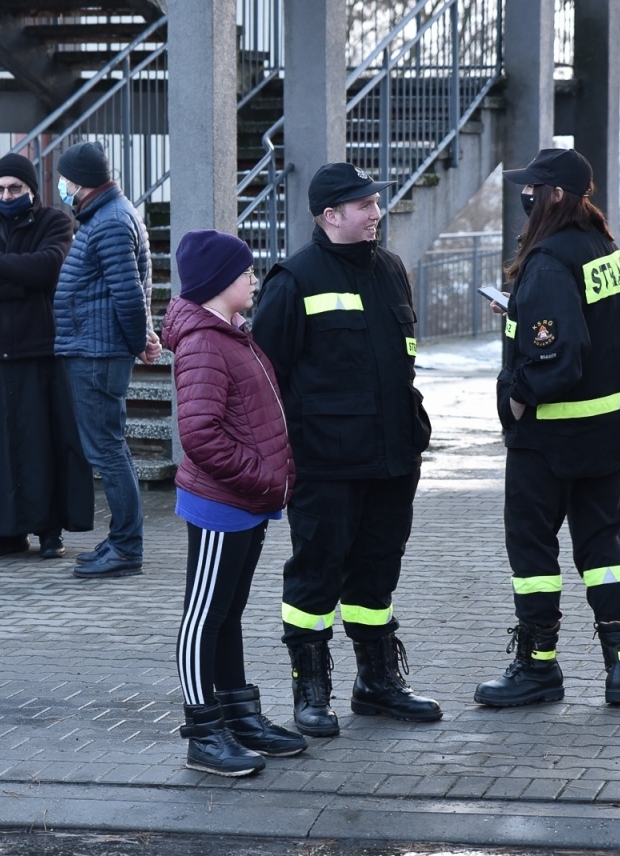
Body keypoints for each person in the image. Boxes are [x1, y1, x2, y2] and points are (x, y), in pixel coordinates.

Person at [251, 162, 442, 738]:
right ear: (330, 215)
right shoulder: (295, 278)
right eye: (364, 206)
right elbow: (266, 378)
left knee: (377, 573)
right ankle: (310, 689)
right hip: (326, 465)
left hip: (390, 459)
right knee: (316, 575)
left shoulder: (389, 270)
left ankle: (377, 682)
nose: (376, 214)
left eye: (377, 204)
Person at [474, 148, 620, 709]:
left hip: (549, 441)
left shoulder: (549, 259)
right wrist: (522, 313)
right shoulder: (604, 249)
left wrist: (519, 397)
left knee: (532, 553)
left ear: (554, 196)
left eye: (533, 189)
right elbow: (589, 328)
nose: (524, 197)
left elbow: (562, 351)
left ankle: (537, 667)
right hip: (604, 434)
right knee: (602, 547)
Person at [161, 229, 305, 777]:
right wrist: (260, 478)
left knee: (228, 614)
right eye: (245, 272)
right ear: (221, 282)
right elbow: (199, 433)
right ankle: (203, 731)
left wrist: (265, 482)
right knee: (204, 617)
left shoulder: (231, 335)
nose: (253, 279)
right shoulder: (203, 342)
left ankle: (239, 717)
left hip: (248, 500)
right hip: (224, 501)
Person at [0, 152, 94, 560]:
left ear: (31, 189)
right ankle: (6, 532)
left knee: (43, 444)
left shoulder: (54, 222)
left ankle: (50, 530)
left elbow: (49, 269)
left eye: (14, 188)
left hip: (38, 350)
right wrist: (19, 282)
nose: (6, 195)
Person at [52, 140, 162, 579]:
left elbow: (129, 294)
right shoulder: (108, 215)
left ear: (79, 183)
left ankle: (126, 546)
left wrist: (141, 341)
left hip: (97, 352)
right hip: (93, 347)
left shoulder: (112, 221)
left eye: (64, 180)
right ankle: (121, 538)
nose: (60, 187)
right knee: (107, 449)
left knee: (109, 451)